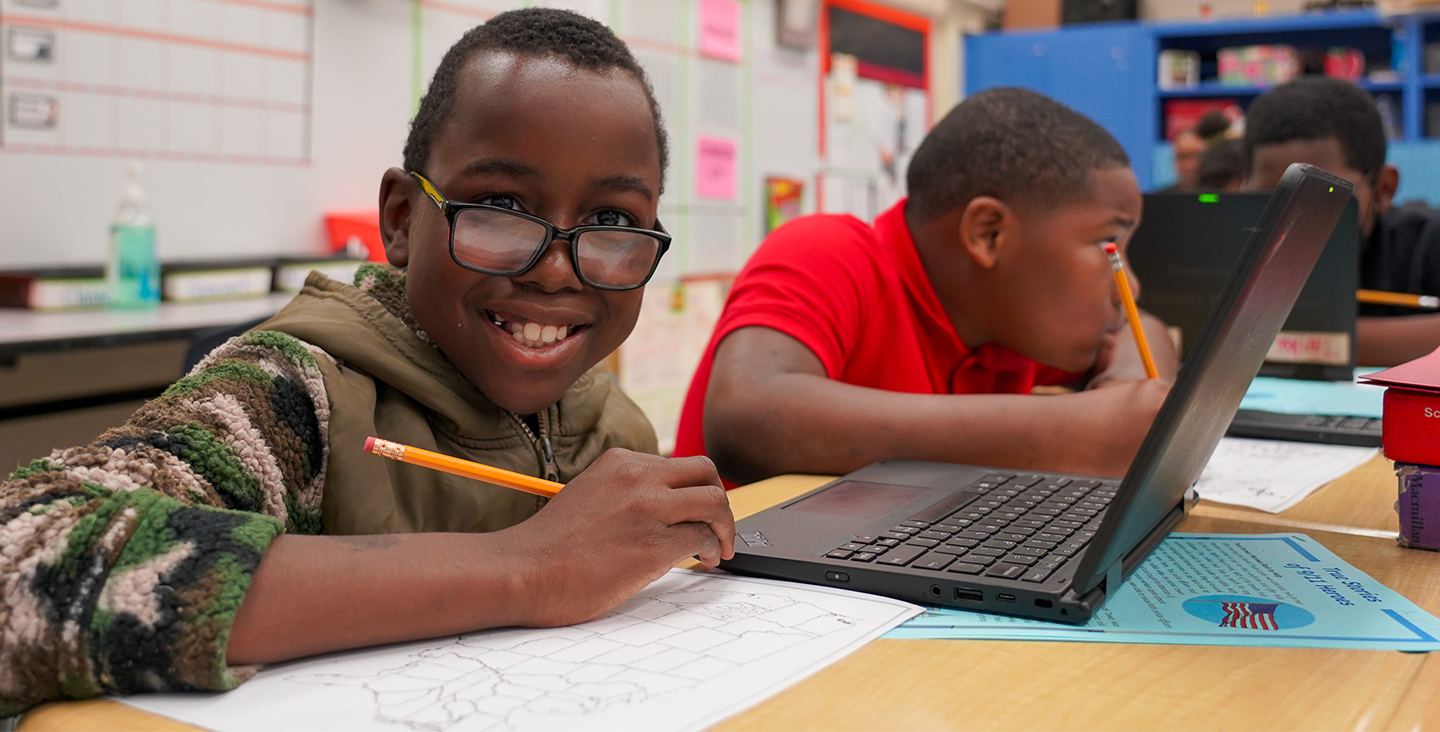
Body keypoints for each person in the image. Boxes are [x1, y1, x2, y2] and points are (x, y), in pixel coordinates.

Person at [0, 9, 734, 714]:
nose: (554, 271)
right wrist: (532, 568)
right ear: (401, 220)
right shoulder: (300, 396)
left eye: (611, 222)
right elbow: (22, 557)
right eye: (501, 204)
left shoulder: (613, 429)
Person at [674, 88, 1178, 487]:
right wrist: (1077, 432)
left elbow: (1143, 328)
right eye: (1108, 245)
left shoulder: (1007, 324)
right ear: (989, 234)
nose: (1128, 286)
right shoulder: (831, 252)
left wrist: (1126, 397)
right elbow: (748, 417)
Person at [1244, 76, 1440, 366]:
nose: (1292, 223)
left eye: (1323, 197)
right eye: (1269, 200)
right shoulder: (1233, 246)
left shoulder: (1426, 243)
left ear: (1383, 188)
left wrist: (1259, 341)